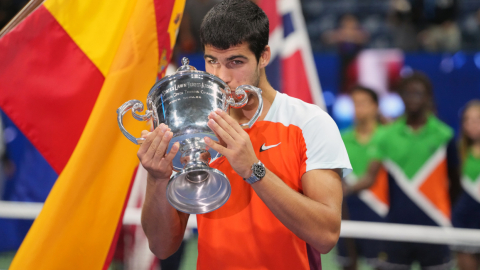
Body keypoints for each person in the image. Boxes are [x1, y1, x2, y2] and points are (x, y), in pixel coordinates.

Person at [137, 1, 352, 269]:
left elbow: (325, 236)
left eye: (235, 62)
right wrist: (157, 179)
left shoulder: (309, 123)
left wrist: (253, 170)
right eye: (211, 61)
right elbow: (161, 246)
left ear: (263, 56)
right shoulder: (194, 127)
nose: (221, 76)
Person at [349, 72, 460, 269]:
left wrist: (443, 212)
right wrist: (340, 190)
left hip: (436, 225)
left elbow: (455, 183)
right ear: (400, 96)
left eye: (419, 94)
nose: (413, 99)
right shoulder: (386, 136)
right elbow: (369, 177)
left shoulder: (444, 135)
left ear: (428, 97)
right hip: (396, 227)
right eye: (408, 94)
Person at [338, 86, 389, 270]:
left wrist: (348, 188)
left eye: (363, 103)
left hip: (379, 211)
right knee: (348, 263)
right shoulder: (342, 138)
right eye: (355, 103)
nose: (358, 108)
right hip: (347, 209)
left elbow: (371, 177)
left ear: (375, 106)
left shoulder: (387, 136)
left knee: (380, 265)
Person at [451, 100, 480, 270]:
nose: (471, 124)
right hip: (464, 223)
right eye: (467, 120)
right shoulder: (458, 152)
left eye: (476, 119)